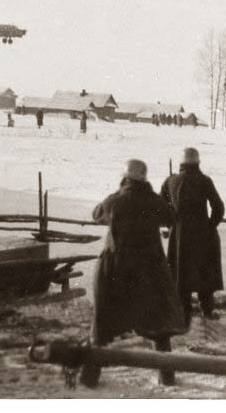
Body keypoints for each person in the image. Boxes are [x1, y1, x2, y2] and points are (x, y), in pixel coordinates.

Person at [89, 160, 186, 387]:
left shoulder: (116, 201)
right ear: (144, 178)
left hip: (116, 272)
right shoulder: (153, 201)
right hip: (149, 273)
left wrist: (119, 191)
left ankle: (90, 377)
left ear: (125, 177)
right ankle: (167, 378)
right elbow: (171, 217)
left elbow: (97, 214)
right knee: (159, 328)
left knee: (102, 326)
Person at [160, 147, 225, 324]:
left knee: (181, 274)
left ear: (181, 163)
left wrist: (172, 225)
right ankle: (207, 310)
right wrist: (210, 227)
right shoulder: (204, 181)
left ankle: (183, 314)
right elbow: (218, 207)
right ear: (197, 162)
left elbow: (161, 207)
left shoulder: (170, 181)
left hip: (179, 235)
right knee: (204, 271)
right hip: (203, 233)